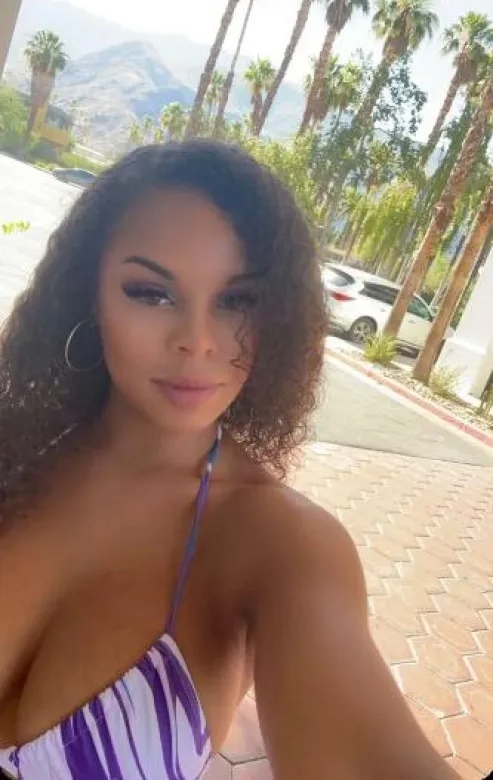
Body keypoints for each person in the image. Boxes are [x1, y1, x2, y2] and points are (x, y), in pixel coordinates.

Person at [0, 140, 463, 780]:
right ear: (90, 294)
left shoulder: (284, 546)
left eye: (237, 300)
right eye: (151, 293)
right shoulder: (17, 445)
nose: (197, 342)